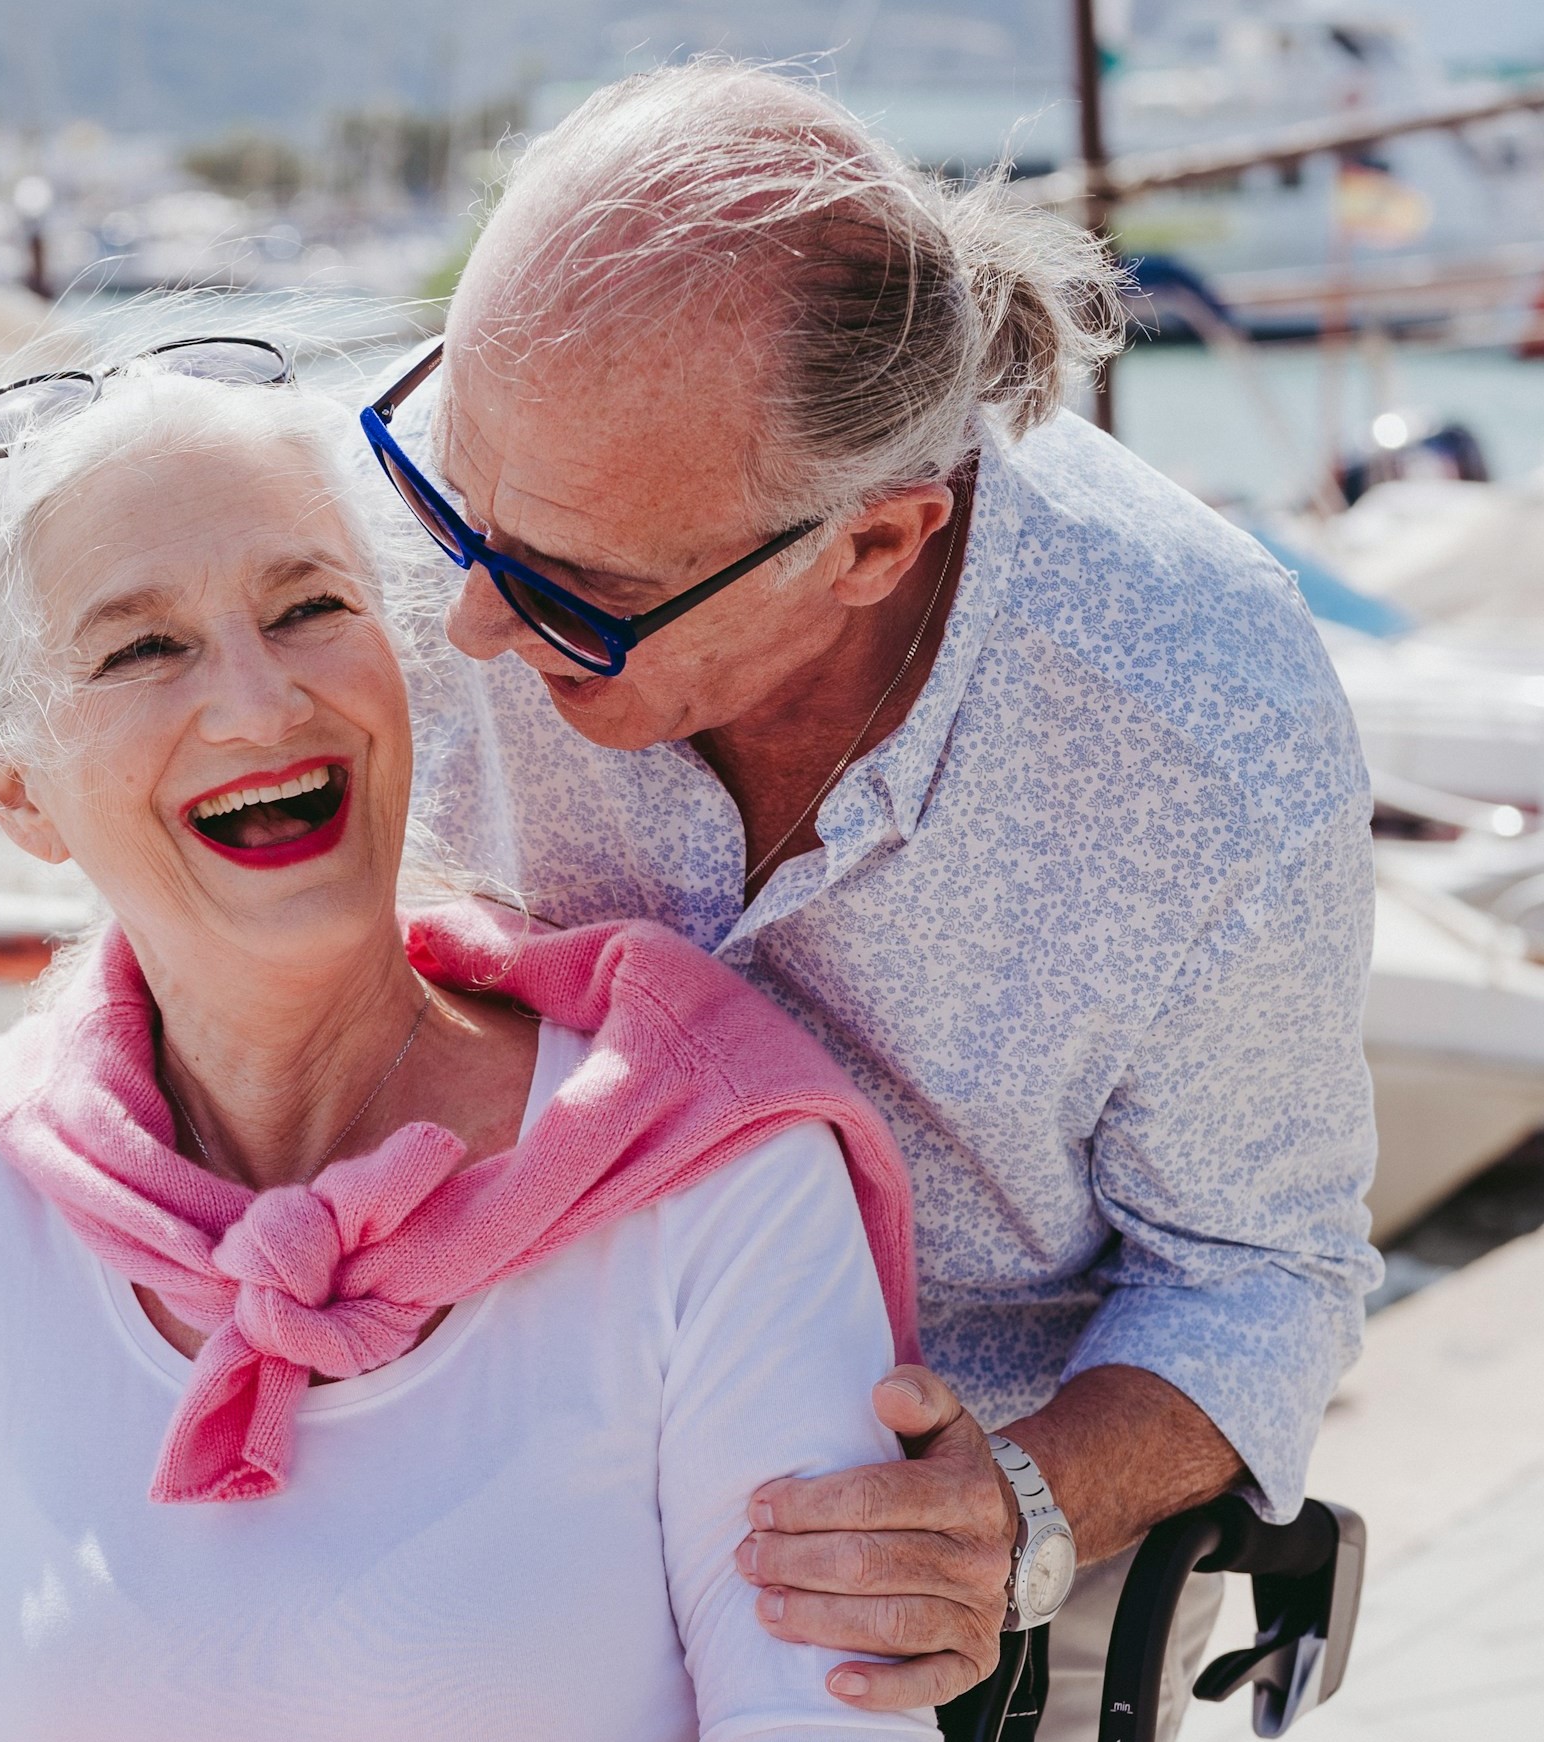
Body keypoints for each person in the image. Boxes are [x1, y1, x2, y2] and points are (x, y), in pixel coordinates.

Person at [0, 344, 943, 1742]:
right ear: (14, 788)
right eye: (143, 646)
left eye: (310, 606)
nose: (262, 703)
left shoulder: (709, 1176)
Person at [370, 62, 1384, 1740]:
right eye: (452, 488)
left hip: (938, 1536)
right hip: (475, 1455)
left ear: (876, 544)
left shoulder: (1205, 730)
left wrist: (1019, 1514)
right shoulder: (473, 522)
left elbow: (1261, 1270)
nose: (469, 624)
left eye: (580, 593)